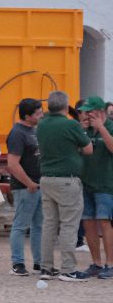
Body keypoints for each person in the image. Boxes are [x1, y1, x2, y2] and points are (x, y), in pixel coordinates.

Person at [38, 90, 94, 280]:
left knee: (49, 224)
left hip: (46, 178)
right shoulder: (71, 124)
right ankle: (68, 269)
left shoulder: (42, 124)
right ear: (64, 106)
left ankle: (46, 268)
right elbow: (88, 149)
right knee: (69, 225)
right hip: (67, 180)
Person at [7, 98, 44, 275]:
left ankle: (39, 261)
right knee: (21, 224)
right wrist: (28, 183)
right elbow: (13, 164)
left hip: (39, 184)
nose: (41, 115)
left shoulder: (35, 130)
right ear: (27, 116)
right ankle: (18, 262)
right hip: (25, 187)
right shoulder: (17, 133)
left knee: (39, 224)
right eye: (38, 113)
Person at [78, 97, 113, 279]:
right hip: (85, 183)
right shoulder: (85, 129)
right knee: (88, 222)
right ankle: (96, 263)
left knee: (104, 222)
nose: (87, 114)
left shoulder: (110, 126)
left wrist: (101, 128)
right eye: (85, 111)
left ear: (100, 111)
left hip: (106, 183)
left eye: (90, 111)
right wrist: (81, 131)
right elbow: (77, 150)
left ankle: (110, 264)